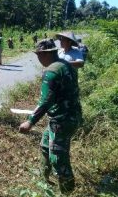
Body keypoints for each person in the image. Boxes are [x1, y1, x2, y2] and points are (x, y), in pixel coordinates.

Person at [19, 39, 82, 194]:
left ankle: (67, 191)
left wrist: (30, 122)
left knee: (58, 158)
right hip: (70, 116)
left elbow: (46, 101)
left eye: (39, 55)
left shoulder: (51, 71)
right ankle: (45, 179)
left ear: (45, 54)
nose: (38, 58)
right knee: (46, 145)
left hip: (62, 121)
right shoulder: (66, 65)